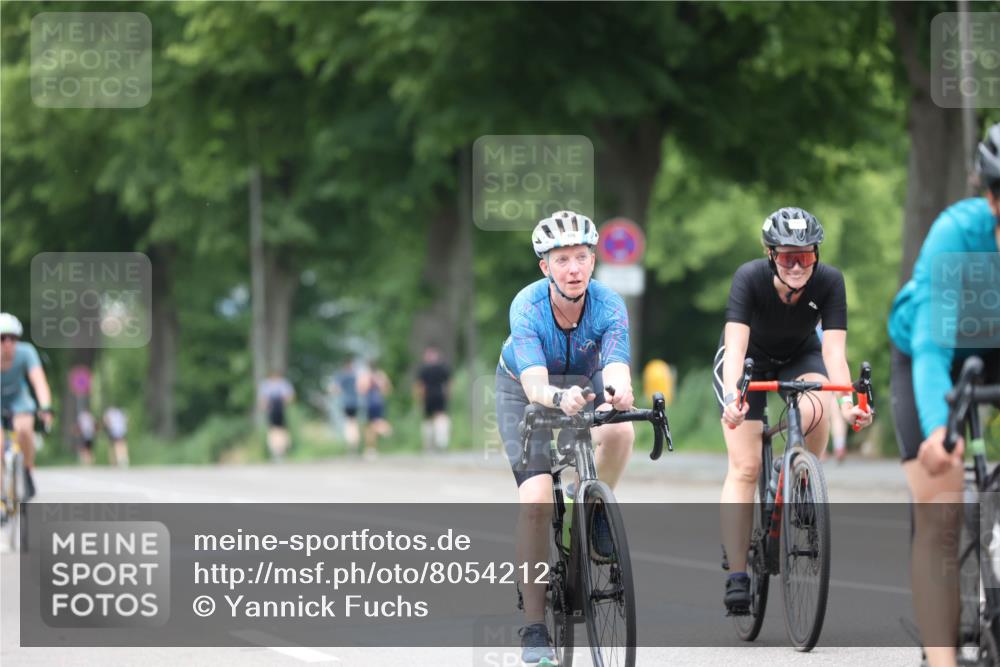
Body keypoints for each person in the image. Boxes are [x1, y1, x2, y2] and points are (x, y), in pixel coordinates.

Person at [713, 207, 872, 615]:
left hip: (800, 355)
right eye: (787, 257)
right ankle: (737, 573)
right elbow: (735, 349)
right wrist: (734, 398)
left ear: (816, 255)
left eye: (805, 256)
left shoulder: (830, 281)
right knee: (746, 466)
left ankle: (800, 476)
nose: (797, 266)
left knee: (817, 405)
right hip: (748, 362)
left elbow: (834, 354)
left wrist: (847, 403)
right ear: (770, 255)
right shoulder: (749, 278)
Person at [494, 210, 635, 664]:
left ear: (593, 261)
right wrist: (558, 397)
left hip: (585, 382)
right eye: (561, 260)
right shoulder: (527, 305)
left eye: (581, 257)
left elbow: (616, 366)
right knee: (536, 498)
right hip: (524, 391)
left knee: (621, 429)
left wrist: (620, 392)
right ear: (545, 267)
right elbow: (535, 384)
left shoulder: (609, 304)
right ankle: (534, 627)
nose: (573, 269)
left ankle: (593, 508)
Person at [887, 123, 1000, 667]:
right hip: (931, 351)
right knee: (941, 505)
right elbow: (932, 349)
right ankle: (942, 658)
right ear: (992, 198)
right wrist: (939, 432)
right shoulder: (955, 235)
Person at [0, 313, 53, 499]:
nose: (7, 343)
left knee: (24, 430)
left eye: (13, 338)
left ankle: (27, 469)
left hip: (19, 399)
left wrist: (45, 407)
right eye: (2, 338)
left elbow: (39, 382)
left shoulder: (26, 352)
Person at [815, 323, 848, 463]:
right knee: (836, 414)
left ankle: (821, 450)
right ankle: (839, 446)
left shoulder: (810, 329)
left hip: (816, 375)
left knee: (820, 413)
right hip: (834, 375)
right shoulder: (832, 329)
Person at [415, 346, 451, 452]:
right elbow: (448, 383)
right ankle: (441, 442)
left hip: (428, 396)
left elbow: (421, 386)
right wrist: (448, 395)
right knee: (440, 417)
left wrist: (420, 399)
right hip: (439, 395)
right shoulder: (442, 368)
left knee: (429, 419)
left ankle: (429, 445)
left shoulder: (423, 369)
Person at [257, 371, 295, 461]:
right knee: (273, 430)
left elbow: (289, 397)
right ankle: (275, 451)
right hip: (272, 410)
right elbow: (263, 400)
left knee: (280, 430)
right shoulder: (267, 384)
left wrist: (284, 403)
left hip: (280, 409)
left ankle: (281, 450)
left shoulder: (282, 383)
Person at [359, 362, 392, 461]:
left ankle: (371, 448)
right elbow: (388, 388)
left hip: (370, 403)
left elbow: (361, 390)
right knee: (374, 425)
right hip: (379, 402)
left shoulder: (365, 376)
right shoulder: (381, 375)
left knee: (370, 427)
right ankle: (373, 448)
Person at [329, 361, 361, 451]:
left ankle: (350, 443)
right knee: (354, 422)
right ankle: (355, 442)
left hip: (346, 402)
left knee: (348, 423)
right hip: (355, 402)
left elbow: (334, 389)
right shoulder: (355, 376)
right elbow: (360, 388)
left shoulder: (341, 376)